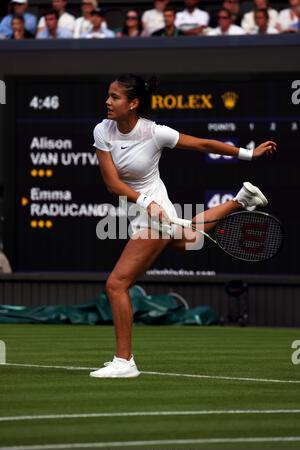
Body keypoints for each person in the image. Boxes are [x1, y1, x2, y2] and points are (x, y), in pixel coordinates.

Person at [90, 74, 276, 378]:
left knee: (117, 284)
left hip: (154, 211)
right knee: (189, 238)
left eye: (115, 97)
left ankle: (124, 362)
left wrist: (248, 153)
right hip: (141, 207)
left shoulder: (155, 133)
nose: (108, 102)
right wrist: (143, 202)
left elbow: (202, 143)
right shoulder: (103, 130)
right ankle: (240, 200)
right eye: (108, 96)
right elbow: (112, 183)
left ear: (133, 103)